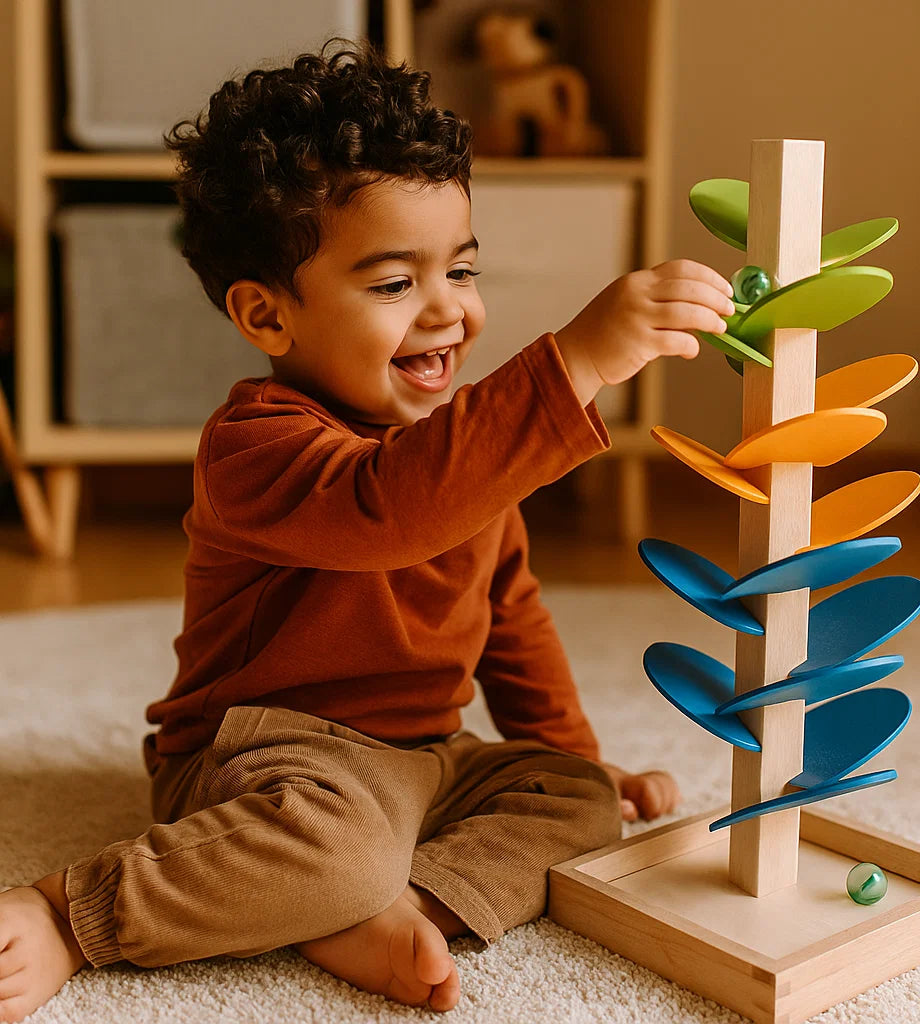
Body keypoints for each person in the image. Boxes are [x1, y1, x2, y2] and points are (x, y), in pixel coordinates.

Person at [0, 39, 734, 1022]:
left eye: (462, 271)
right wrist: (573, 363)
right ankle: (74, 911)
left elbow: (509, 612)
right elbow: (385, 508)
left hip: (422, 757)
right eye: (394, 284)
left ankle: (393, 905)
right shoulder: (254, 444)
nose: (449, 312)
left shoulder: (465, 457)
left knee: (577, 802)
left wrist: (571, 748)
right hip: (260, 759)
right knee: (332, 845)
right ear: (267, 315)